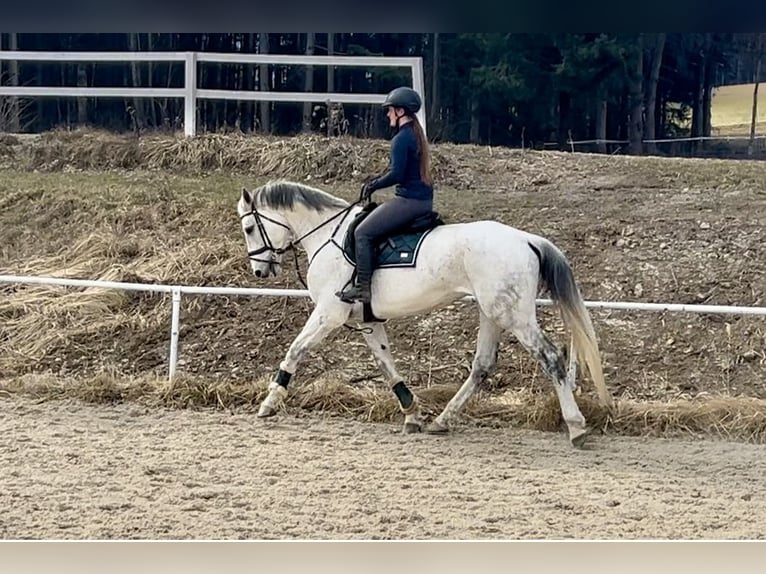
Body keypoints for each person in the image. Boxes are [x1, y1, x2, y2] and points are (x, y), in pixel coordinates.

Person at [336, 86, 434, 304]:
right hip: (421, 200)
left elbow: (397, 173)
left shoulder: (401, 139)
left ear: (400, 112)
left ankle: (363, 289)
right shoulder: (415, 135)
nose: (388, 114)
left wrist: (374, 185)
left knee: (362, 232)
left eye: (390, 110)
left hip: (410, 201)